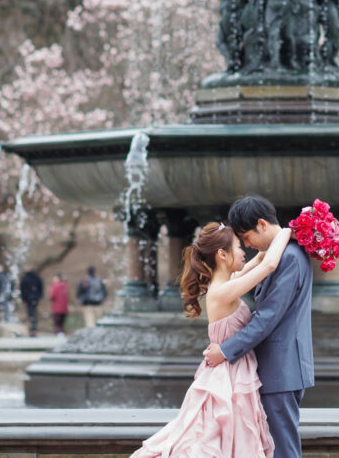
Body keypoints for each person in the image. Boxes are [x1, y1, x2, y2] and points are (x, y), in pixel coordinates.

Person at [133, 219, 292, 457]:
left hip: (232, 368)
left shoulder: (226, 284)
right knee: (229, 438)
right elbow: (268, 265)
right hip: (229, 374)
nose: (243, 251)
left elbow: (260, 258)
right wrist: (289, 230)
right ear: (222, 254)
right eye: (239, 246)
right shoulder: (223, 291)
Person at [203, 195, 314, 458]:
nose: (246, 244)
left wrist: (226, 350)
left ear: (262, 225)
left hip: (282, 367)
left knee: (282, 449)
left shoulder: (289, 258)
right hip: (278, 367)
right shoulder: (281, 253)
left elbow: (267, 318)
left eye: (246, 237)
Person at [19, 268, 44, 337]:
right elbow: (40, 287)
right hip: (35, 298)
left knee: (31, 312)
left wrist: (23, 298)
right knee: (33, 312)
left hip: (28, 298)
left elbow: (22, 288)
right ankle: (34, 328)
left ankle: (32, 328)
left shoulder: (25, 278)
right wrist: (39, 296)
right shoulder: (37, 278)